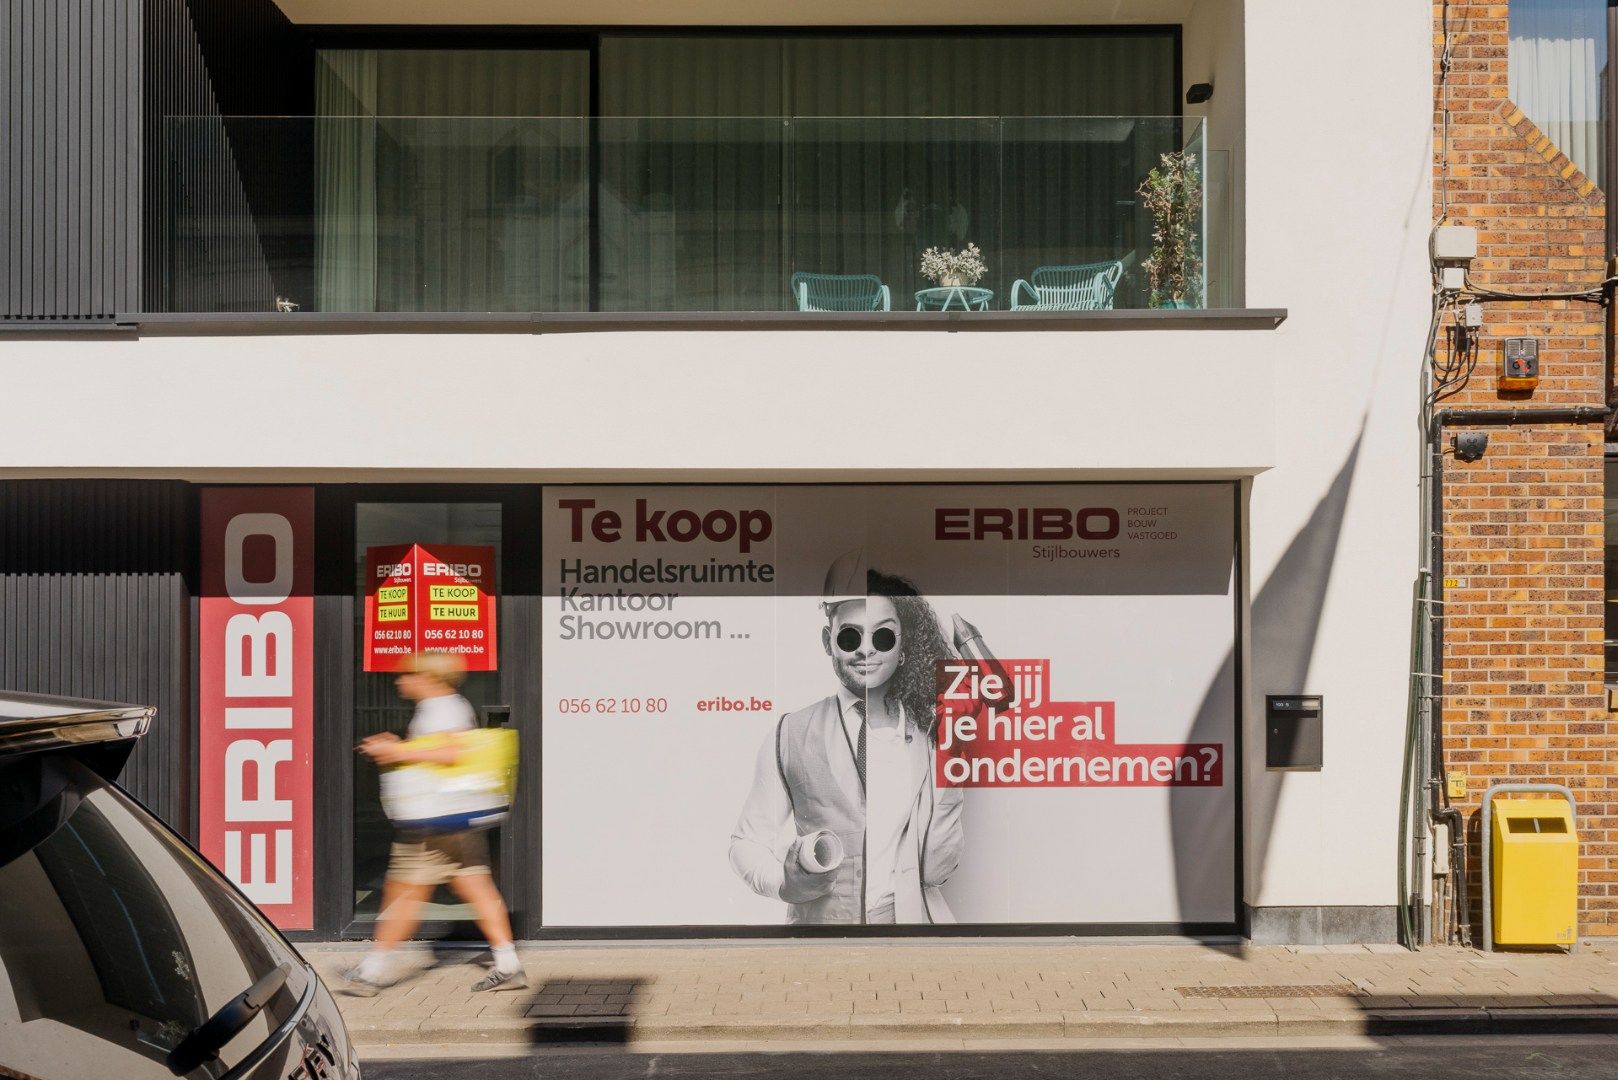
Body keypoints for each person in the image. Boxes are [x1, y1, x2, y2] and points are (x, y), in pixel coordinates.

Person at [729, 555, 965, 924]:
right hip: (820, 941)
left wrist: (952, 753)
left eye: (883, 636)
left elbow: (935, 869)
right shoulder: (791, 732)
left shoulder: (929, 737)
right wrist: (784, 884)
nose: (866, 649)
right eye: (850, 635)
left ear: (903, 646)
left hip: (910, 933)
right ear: (828, 642)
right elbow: (747, 843)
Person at [345, 652, 525, 994]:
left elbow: (449, 753)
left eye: (407, 675)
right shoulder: (447, 705)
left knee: (403, 892)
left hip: (432, 823)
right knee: (476, 886)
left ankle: (372, 971)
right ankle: (507, 964)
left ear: (428, 678)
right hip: (452, 819)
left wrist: (396, 752)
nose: (400, 681)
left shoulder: (442, 708)